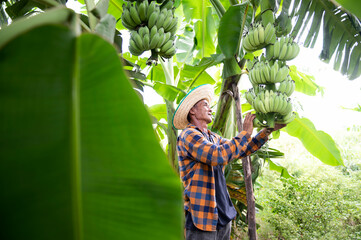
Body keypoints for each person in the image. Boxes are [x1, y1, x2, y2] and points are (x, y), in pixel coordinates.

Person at [172, 84, 286, 240]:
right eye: (205, 105)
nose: (210, 108)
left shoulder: (213, 137)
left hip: (223, 215)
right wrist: (244, 132)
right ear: (192, 110)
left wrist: (266, 131)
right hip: (202, 218)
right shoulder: (188, 135)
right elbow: (216, 155)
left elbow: (242, 149)